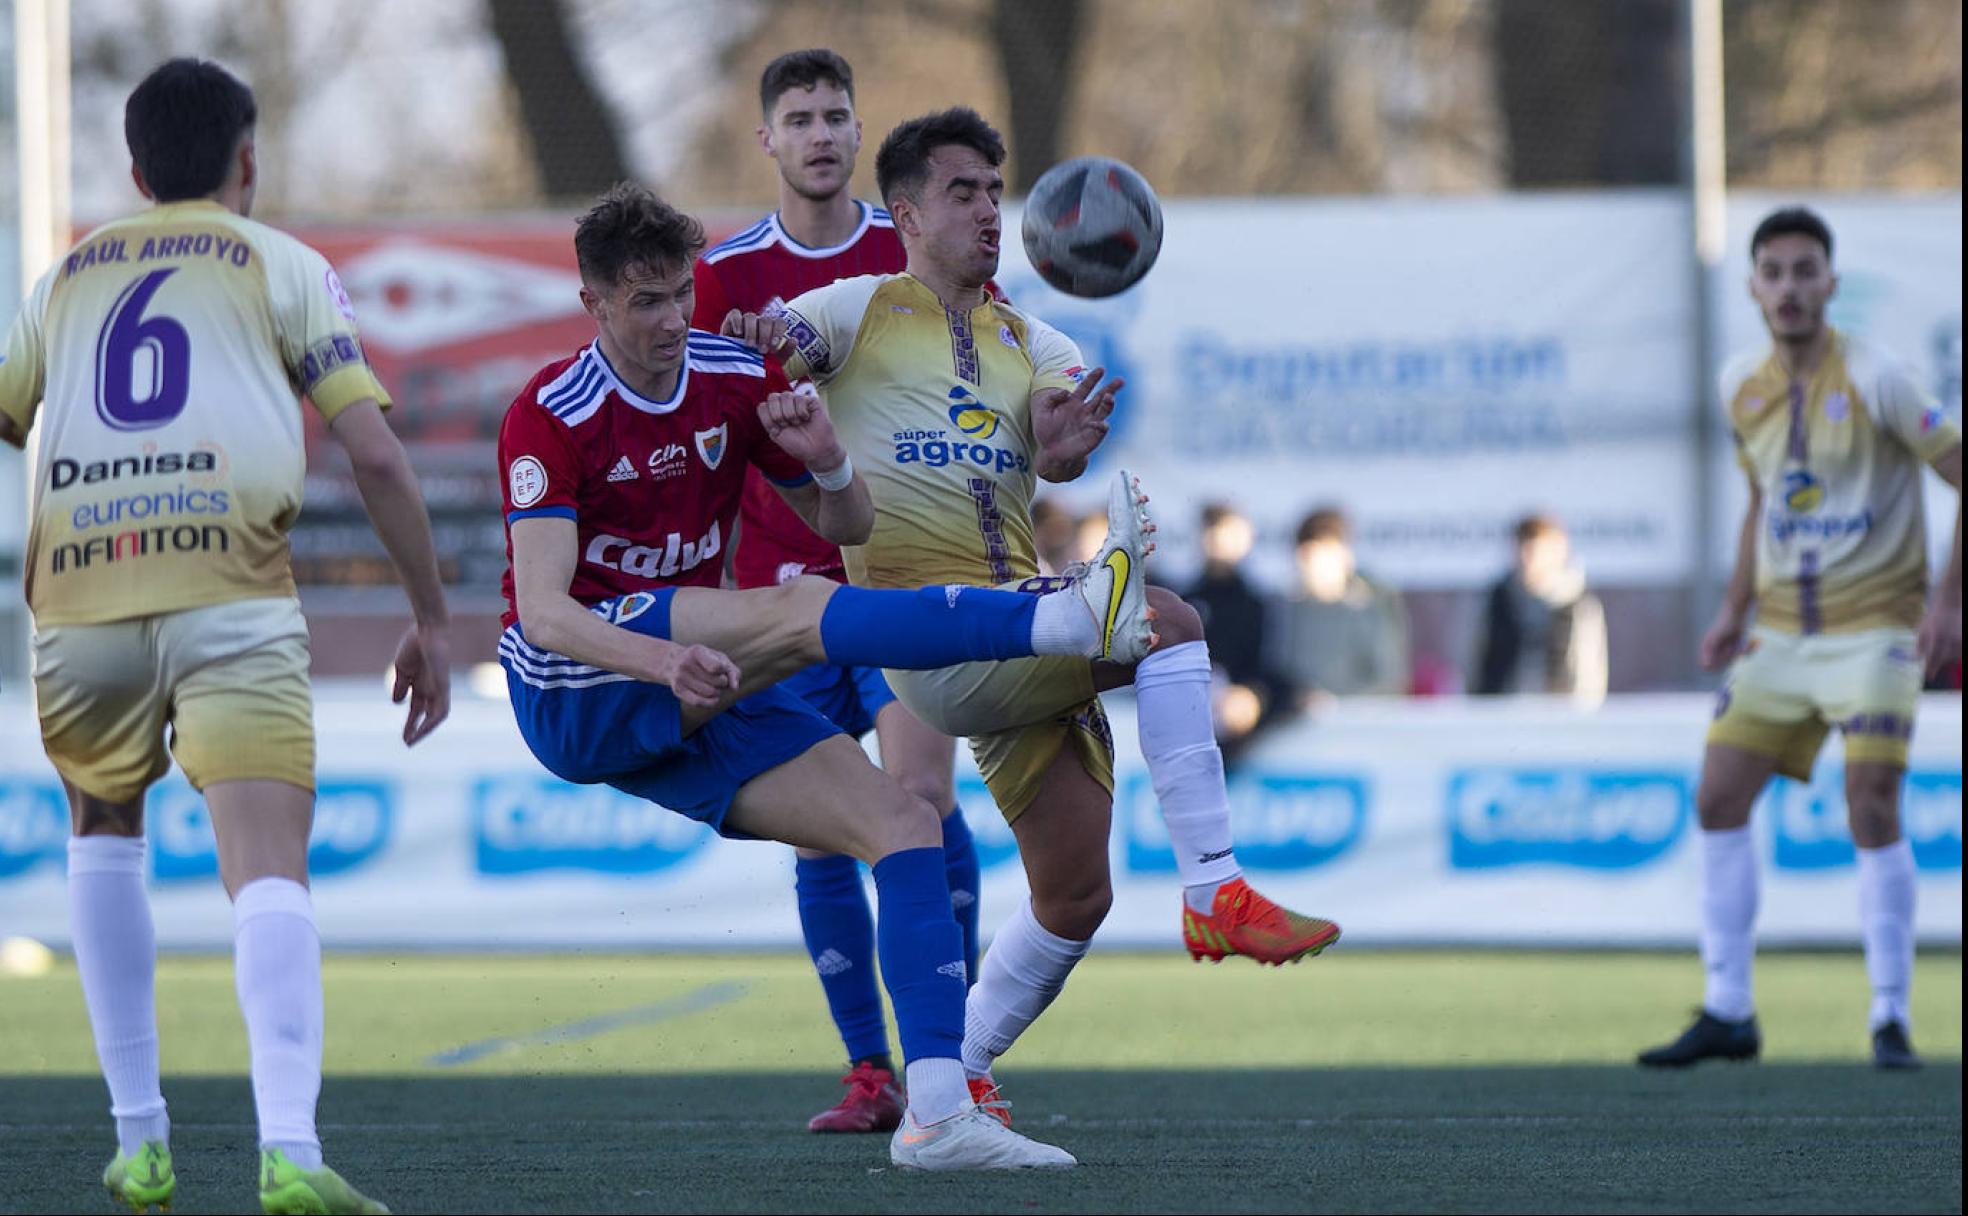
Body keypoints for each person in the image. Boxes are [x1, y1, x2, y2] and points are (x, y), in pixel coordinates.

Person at [497, 182, 1158, 1169]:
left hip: (697, 670)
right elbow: (547, 612)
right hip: (577, 685)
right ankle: (1056, 613)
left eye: (682, 293)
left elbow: (845, 530)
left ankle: (937, 1110)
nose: (675, 318)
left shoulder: (731, 375)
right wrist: (664, 658)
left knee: (906, 824)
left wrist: (831, 464)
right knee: (803, 615)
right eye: (646, 302)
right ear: (593, 303)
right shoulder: (552, 412)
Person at [727, 107, 1342, 1130]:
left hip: (1022, 630)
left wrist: (1057, 452)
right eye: (962, 192)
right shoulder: (858, 307)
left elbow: (1059, 455)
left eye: (992, 192)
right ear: (907, 212)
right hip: (930, 638)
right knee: (1174, 621)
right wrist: (769, 335)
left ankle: (954, 1072)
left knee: (1074, 898)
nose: (986, 212)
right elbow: (791, 335)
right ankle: (1217, 890)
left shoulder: (1032, 338)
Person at [0, 58, 451, 1214]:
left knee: (104, 826)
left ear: (137, 171)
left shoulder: (62, 277)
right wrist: (430, 616)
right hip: (231, 583)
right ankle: (290, 1151)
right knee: (266, 865)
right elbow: (378, 454)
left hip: (81, 586)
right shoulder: (284, 264)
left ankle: (140, 1139)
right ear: (247, 162)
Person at [691, 49, 985, 1135]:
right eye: (799, 117)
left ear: (860, 135)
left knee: (923, 802)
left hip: (901, 573)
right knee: (825, 832)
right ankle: (872, 1071)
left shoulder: (907, 251)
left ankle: (963, 1055)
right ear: (765, 139)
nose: (819, 133)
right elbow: (702, 435)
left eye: (836, 116)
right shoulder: (720, 280)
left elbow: (978, 386)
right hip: (778, 594)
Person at [1637, 206, 1961, 1072]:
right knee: (1716, 799)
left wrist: (1950, 605)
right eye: (1772, 272)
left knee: (1871, 806)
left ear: (1830, 284)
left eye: (1803, 270)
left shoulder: (1880, 377)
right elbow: (1763, 502)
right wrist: (1732, 609)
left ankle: (1890, 1015)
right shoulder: (1739, 384)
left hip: (1878, 628)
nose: (1788, 287)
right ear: (1752, 287)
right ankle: (1728, 1010)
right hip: (1779, 634)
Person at [1176, 502, 1293, 766]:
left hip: (1242, 709)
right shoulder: (1182, 600)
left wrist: (1253, 696)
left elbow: (1270, 666)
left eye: (1229, 534)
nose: (1220, 543)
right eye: (1214, 532)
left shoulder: (1259, 603)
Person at [1269, 507, 1409, 703]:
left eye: (1317, 555)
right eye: (1303, 557)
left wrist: (1337, 706)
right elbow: (1277, 671)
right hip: (1299, 727)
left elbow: (1388, 679)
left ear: (1343, 553)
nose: (1307, 566)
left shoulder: (1374, 604)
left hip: (1360, 725)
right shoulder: (1288, 609)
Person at [1471, 513, 1608, 704]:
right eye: (1521, 549)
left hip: (1559, 717)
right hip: (1502, 716)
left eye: (1534, 550)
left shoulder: (1580, 605)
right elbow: (1474, 660)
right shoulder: (1495, 601)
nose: (1526, 559)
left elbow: (1589, 675)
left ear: (1558, 551)